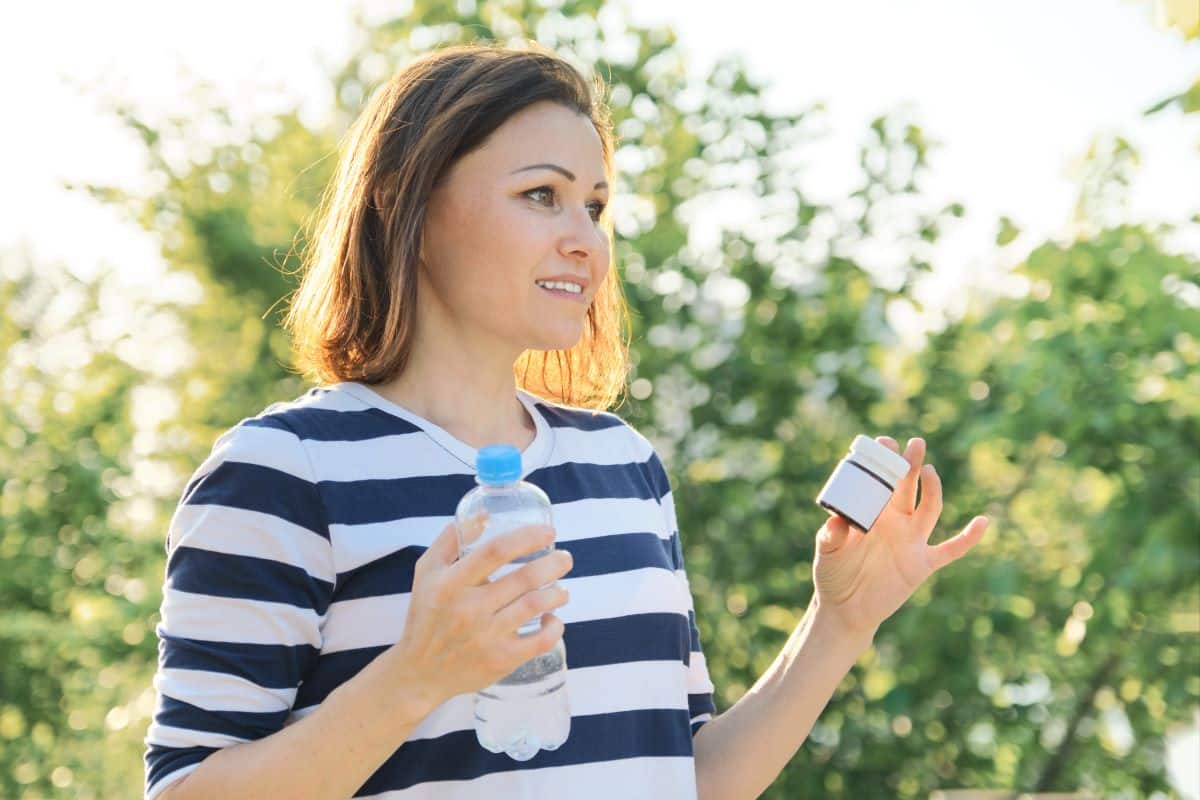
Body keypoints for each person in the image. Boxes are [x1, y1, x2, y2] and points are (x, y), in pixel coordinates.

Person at [143, 41, 991, 800]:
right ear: (408, 205)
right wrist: (416, 676)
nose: (586, 239)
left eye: (595, 205)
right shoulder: (283, 473)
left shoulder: (623, 465)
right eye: (541, 195)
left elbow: (683, 776)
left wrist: (838, 625)